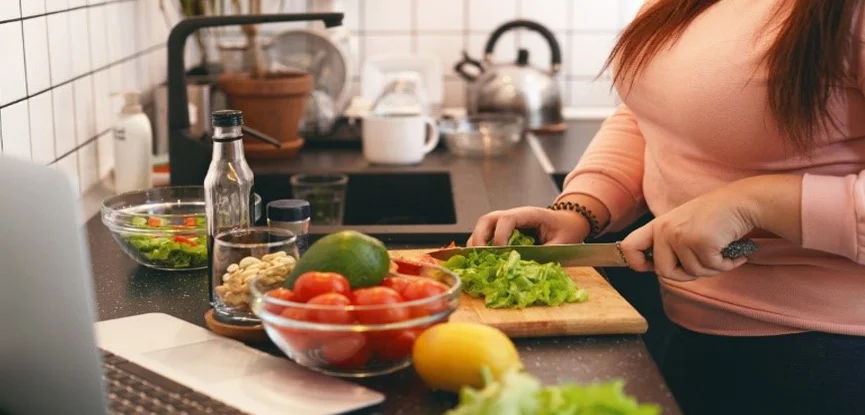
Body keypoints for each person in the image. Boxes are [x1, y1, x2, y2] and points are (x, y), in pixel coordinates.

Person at [469, 1, 865, 414]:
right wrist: (582, 208)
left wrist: (753, 203)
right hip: (684, 325)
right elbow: (649, 115)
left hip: (826, 355)